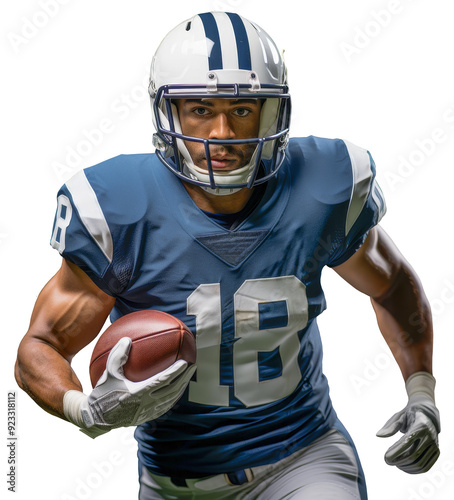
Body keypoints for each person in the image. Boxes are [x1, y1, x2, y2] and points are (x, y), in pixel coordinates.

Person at [15, 11, 440, 500]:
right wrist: (80, 409)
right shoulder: (117, 209)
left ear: (272, 111)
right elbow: (40, 347)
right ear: (168, 113)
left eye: (242, 110)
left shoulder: (325, 187)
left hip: (302, 459)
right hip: (174, 481)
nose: (221, 132)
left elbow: (392, 285)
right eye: (200, 108)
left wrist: (421, 393)